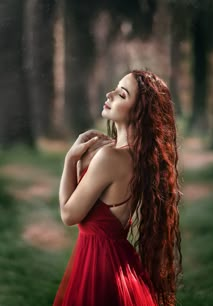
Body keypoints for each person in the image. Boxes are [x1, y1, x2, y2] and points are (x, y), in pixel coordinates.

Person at [53, 69, 182, 306]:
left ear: (139, 112)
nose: (109, 94)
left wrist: (70, 160)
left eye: (122, 94)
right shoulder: (137, 157)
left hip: (99, 267)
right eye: (115, 87)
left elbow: (69, 214)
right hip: (117, 264)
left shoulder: (111, 157)